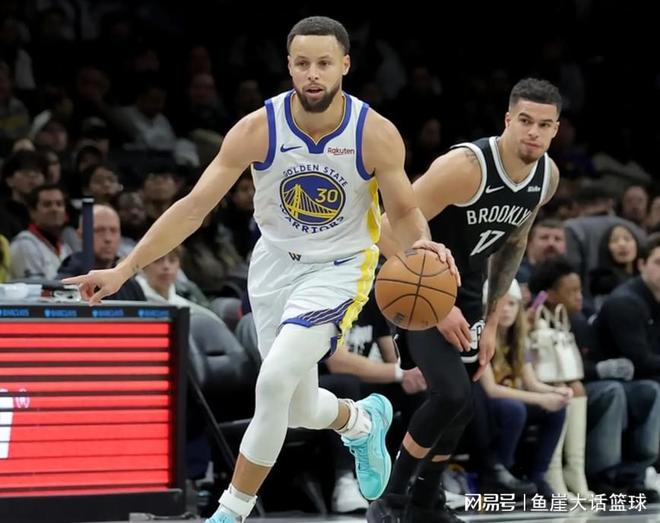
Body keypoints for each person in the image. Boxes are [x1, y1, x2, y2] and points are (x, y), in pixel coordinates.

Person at [62, 16, 455, 523]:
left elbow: (401, 211)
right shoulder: (258, 129)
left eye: (324, 63)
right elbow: (193, 207)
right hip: (273, 267)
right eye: (303, 63)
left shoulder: (374, 133)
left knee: (272, 384)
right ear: (289, 66)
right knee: (295, 407)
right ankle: (360, 421)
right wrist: (124, 269)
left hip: (339, 268)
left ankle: (230, 511)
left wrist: (423, 244)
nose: (313, 74)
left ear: (345, 65)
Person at [371, 77, 562, 523]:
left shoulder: (546, 177)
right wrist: (438, 305)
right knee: (450, 394)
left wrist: (492, 323)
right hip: (416, 284)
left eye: (544, 125)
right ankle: (389, 498)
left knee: (464, 406)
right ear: (508, 120)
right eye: (525, 121)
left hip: (470, 288)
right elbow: (383, 227)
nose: (533, 132)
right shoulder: (466, 167)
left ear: (556, 129)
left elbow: (514, 243)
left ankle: (425, 504)